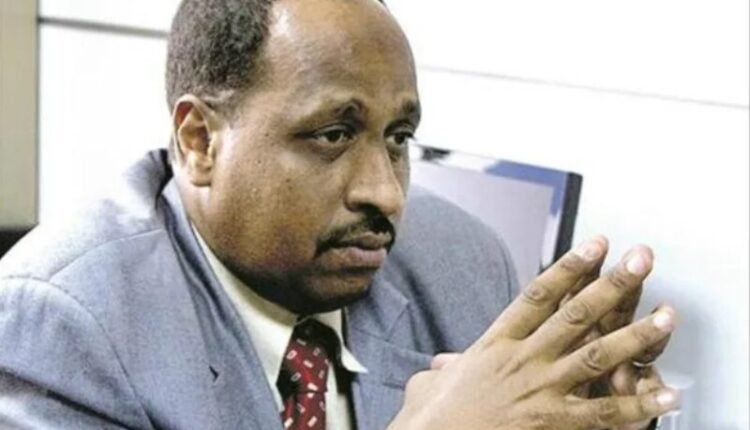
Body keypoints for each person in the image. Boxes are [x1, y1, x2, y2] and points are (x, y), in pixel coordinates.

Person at [0, 0, 679, 428]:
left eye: (398, 139)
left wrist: (591, 415)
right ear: (200, 141)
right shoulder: (61, 323)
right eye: (332, 135)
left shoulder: (463, 259)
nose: (387, 194)